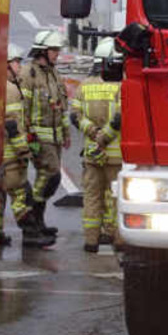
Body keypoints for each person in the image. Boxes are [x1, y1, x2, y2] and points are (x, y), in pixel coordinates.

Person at [70, 37, 123, 253]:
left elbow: (75, 116)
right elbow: (121, 118)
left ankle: (91, 241)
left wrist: (92, 132)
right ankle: (116, 238)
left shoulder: (83, 87)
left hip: (91, 154)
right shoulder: (120, 85)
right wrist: (105, 136)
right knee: (116, 198)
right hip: (116, 155)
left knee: (91, 198)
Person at [0, 44, 54, 248]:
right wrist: (25, 151)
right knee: (22, 196)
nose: (19, 67)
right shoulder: (11, 90)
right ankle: (31, 235)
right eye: (15, 62)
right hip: (11, 156)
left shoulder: (0, 86)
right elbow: (12, 126)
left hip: (1, 156)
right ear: (5, 65)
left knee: (0, 197)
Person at [22, 29, 69, 240]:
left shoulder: (53, 74)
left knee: (49, 177)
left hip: (55, 137)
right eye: (54, 50)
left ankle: (38, 221)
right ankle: (32, 219)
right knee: (51, 175)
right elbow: (23, 107)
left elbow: (61, 106)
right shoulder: (28, 74)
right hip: (39, 138)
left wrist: (66, 133)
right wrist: (27, 134)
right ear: (42, 51)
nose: (57, 54)